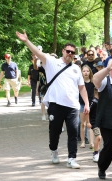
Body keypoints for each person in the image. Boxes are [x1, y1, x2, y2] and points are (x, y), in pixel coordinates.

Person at [16, 30, 90, 169]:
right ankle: (54, 150)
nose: (69, 54)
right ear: (63, 51)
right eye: (68, 51)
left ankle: (72, 158)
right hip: (56, 104)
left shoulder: (76, 69)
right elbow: (38, 54)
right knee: (54, 131)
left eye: (72, 52)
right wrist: (26, 41)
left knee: (73, 132)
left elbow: (82, 88)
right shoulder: (51, 62)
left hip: (73, 106)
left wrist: (86, 103)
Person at [79, 65, 95, 149]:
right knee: (82, 123)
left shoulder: (92, 82)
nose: (85, 73)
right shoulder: (79, 82)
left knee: (90, 124)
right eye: (84, 71)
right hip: (82, 104)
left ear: (90, 72)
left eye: (87, 71)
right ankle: (83, 141)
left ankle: (91, 142)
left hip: (91, 104)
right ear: (81, 72)